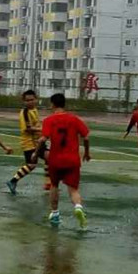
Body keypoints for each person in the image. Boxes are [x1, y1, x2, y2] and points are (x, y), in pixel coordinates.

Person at [32, 93, 91, 228]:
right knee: (73, 189)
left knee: (54, 185)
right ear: (64, 104)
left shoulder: (49, 120)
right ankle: (78, 207)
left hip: (55, 160)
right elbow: (86, 137)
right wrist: (87, 153)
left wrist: (35, 153)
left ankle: (55, 213)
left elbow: (42, 139)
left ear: (52, 104)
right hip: (72, 160)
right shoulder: (74, 119)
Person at [6, 89, 50, 194]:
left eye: (32, 99)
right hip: (29, 143)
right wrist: (42, 130)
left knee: (50, 157)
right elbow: (28, 129)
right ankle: (13, 181)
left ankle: (48, 183)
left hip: (38, 142)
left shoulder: (34, 110)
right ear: (24, 101)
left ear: (36, 99)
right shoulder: (25, 113)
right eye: (27, 100)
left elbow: (36, 124)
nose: (30, 102)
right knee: (31, 165)